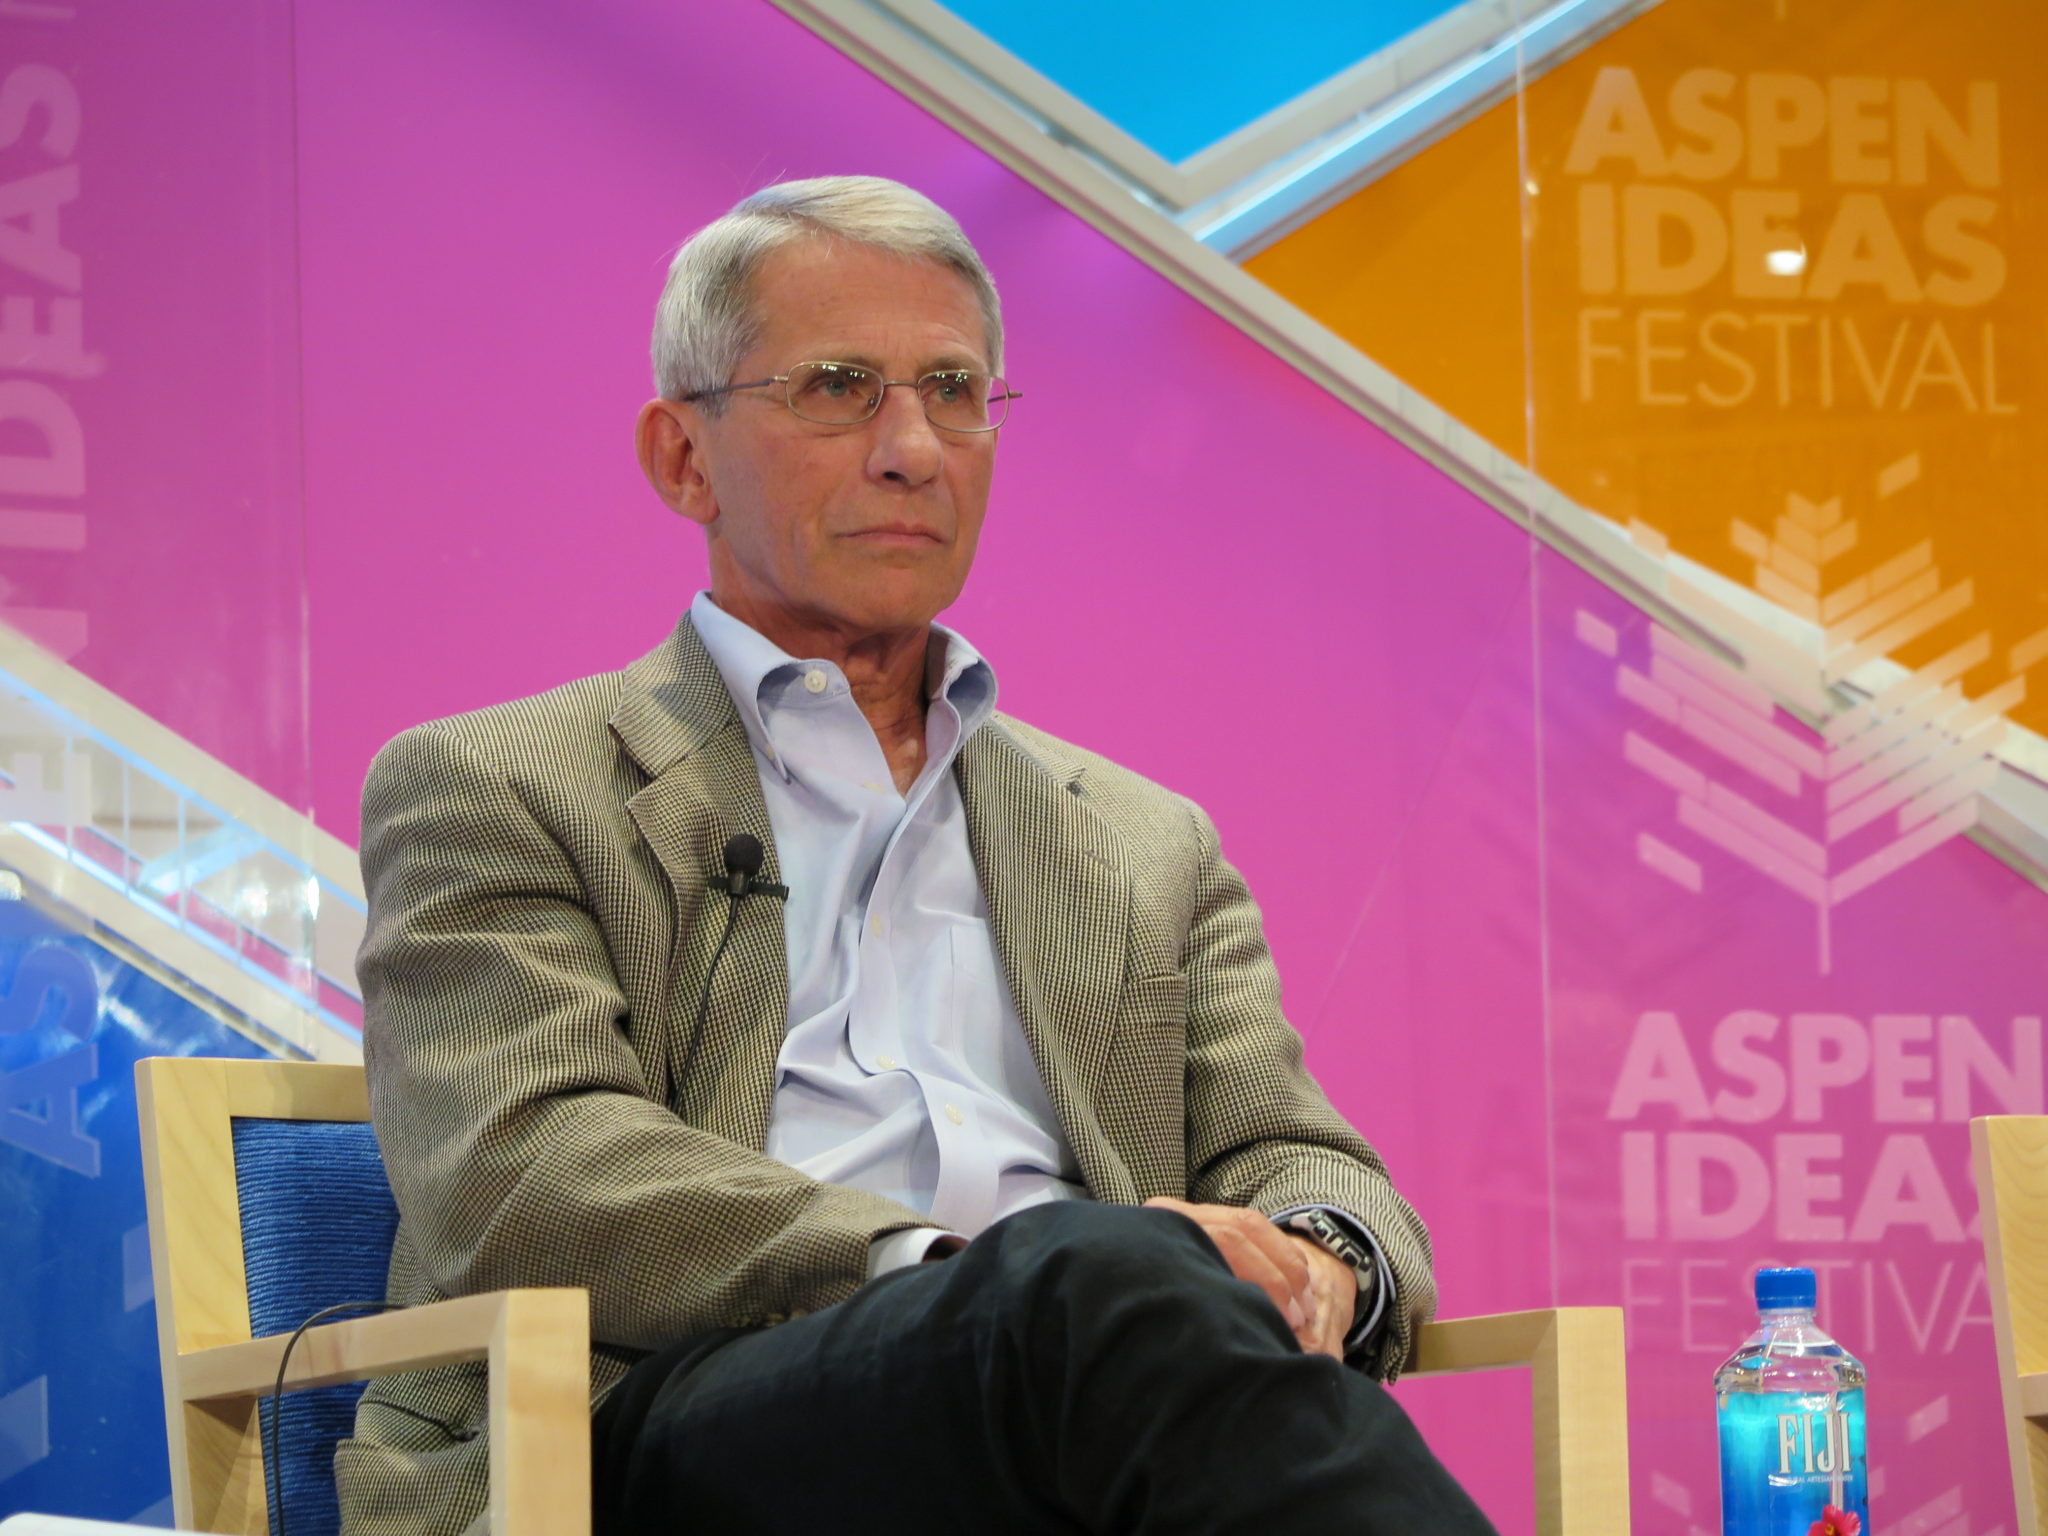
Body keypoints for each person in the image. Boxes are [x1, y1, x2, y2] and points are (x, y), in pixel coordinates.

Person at [338, 175, 1494, 1536]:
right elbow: (525, 1175)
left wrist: (1319, 1264)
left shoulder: (1139, 842)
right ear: (684, 457)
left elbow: (1296, 1151)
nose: (913, 449)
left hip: (1095, 1397)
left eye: (954, 392)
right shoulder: (500, 786)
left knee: (1112, 1306)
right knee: (1094, 1284)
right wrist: (955, 1270)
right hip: (667, 1425)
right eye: (838, 388)